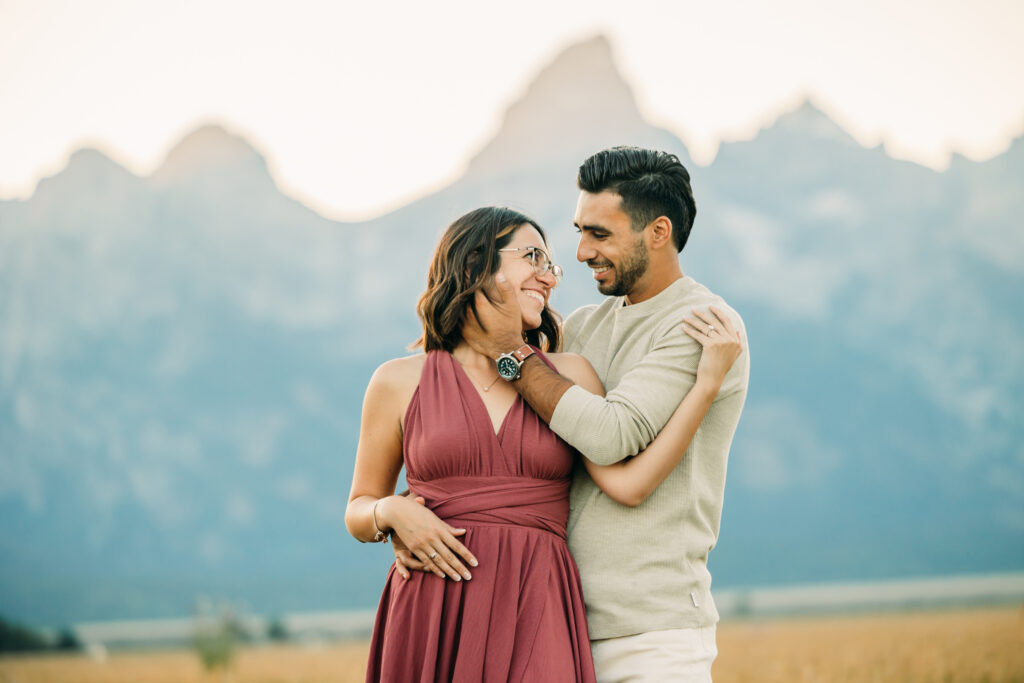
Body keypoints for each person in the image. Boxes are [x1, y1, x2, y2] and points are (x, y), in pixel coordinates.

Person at [346, 205, 742, 682]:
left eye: (550, 266)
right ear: (474, 264)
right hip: (433, 608)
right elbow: (359, 507)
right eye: (533, 257)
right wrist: (389, 513)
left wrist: (705, 388)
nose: (550, 276)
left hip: (539, 603)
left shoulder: (566, 375)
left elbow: (630, 484)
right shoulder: (396, 381)